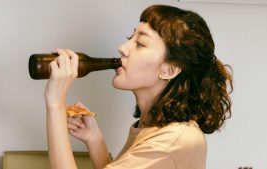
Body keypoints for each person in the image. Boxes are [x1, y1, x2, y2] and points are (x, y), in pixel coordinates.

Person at [44, 4, 233, 169]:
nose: (122, 47)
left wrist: (55, 103)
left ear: (169, 70)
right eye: (130, 37)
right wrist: (95, 139)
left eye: (140, 43)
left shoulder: (173, 142)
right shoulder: (150, 127)